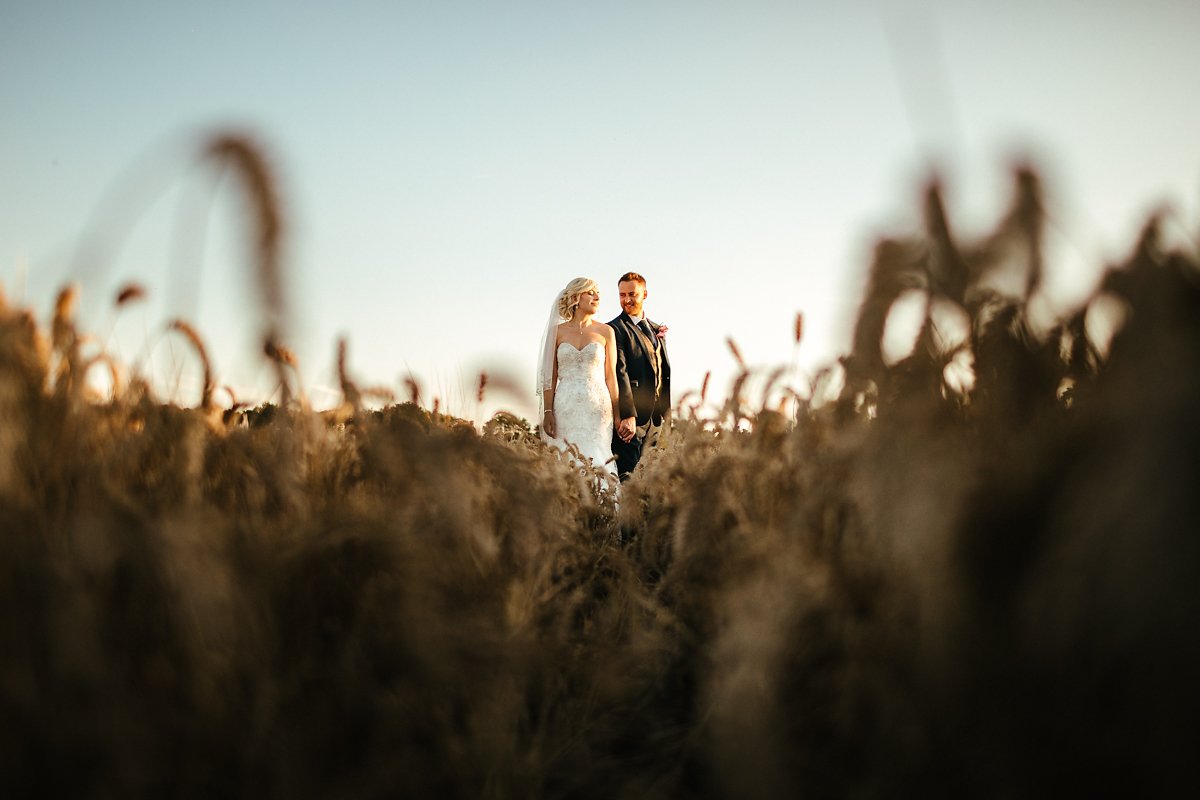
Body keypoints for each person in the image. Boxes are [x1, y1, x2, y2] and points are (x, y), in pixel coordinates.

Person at [537, 278, 620, 476]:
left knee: (598, 457)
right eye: (590, 292)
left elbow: (611, 377)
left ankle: (603, 502)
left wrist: (617, 414)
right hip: (565, 407)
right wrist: (548, 411)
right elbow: (550, 376)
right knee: (565, 459)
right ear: (575, 297)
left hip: (598, 408)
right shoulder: (556, 332)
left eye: (597, 293)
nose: (597, 297)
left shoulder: (607, 332)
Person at [609, 272, 671, 480]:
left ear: (645, 294)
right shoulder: (615, 329)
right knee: (627, 478)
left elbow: (662, 369)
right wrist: (627, 415)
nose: (626, 300)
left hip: (656, 419)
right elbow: (620, 372)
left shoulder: (656, 329)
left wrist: (666, 413)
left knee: (650, 481)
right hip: (632, 419)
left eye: (632, 294)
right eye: (621, 294)